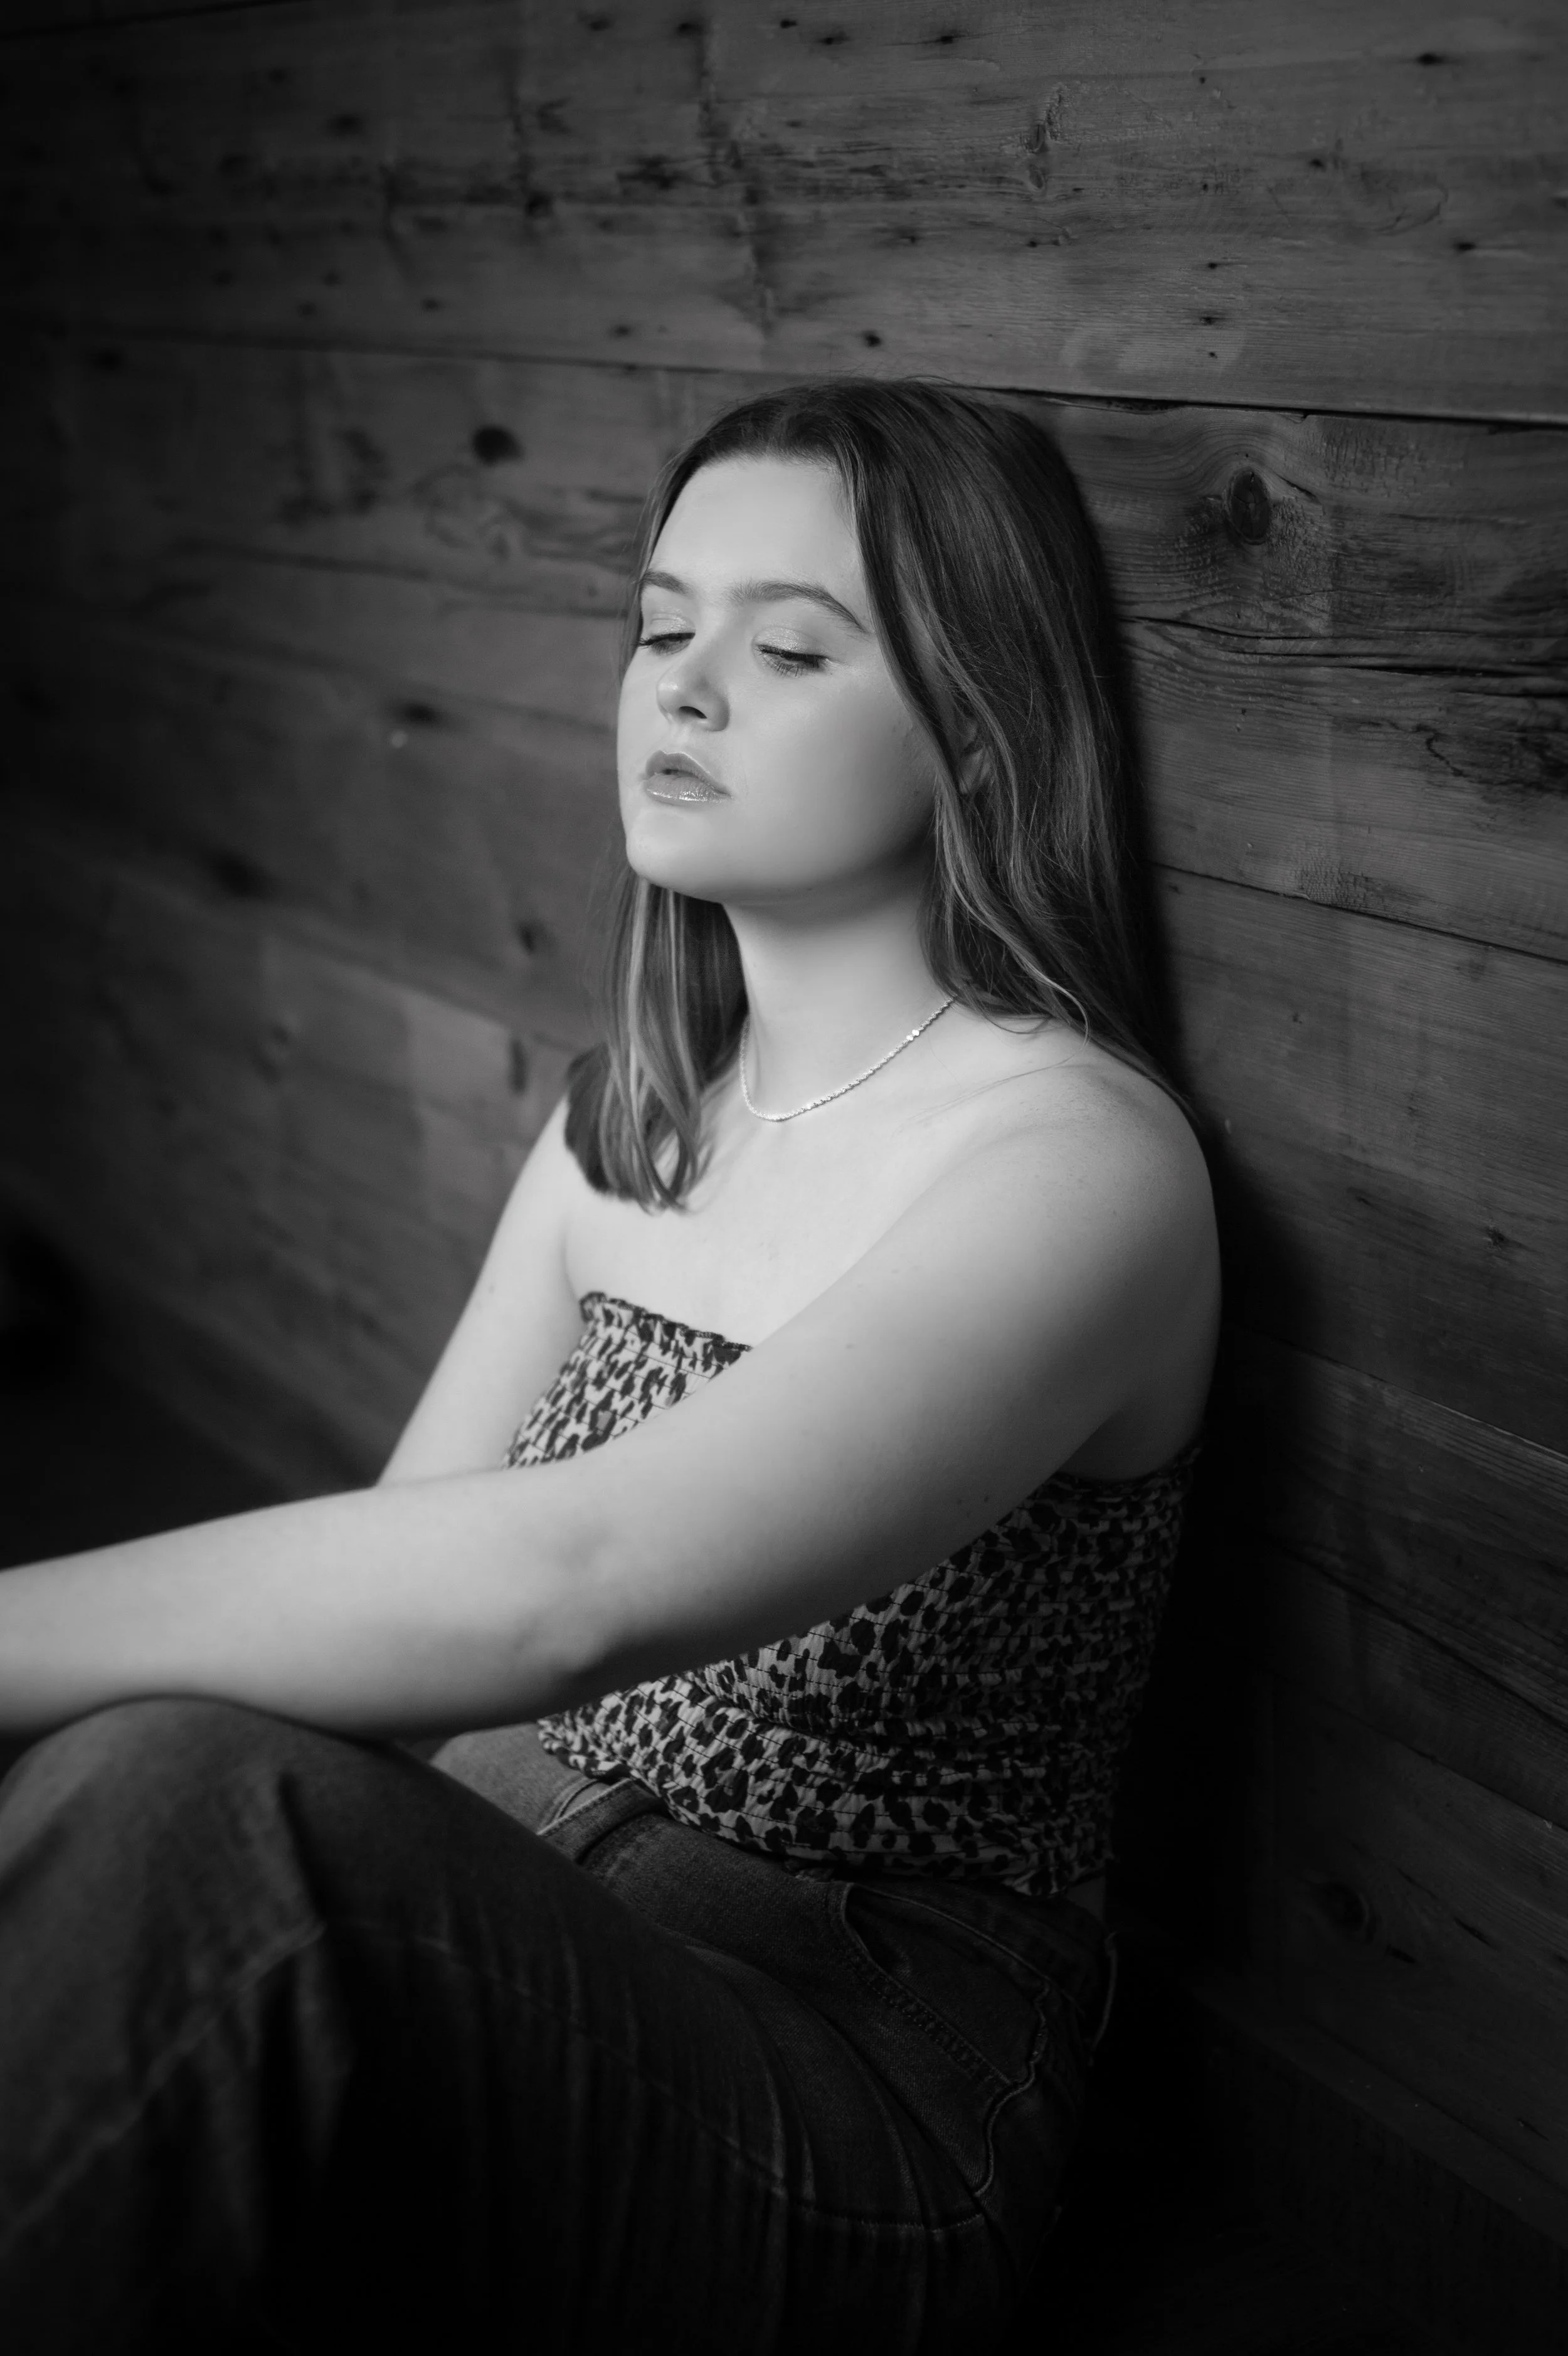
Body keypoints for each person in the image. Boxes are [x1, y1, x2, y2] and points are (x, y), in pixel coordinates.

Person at [0, 379, 1219, 2354]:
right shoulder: (623, 1121)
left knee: (192, 1797)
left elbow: (564, 1586)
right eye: (661, 626)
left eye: (790, 644)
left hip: (841, 2079)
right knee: (147, 1777)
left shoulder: (1078, 1167)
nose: (686, 687)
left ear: (976, 726)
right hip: (500, 1905)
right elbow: (398, 1595)